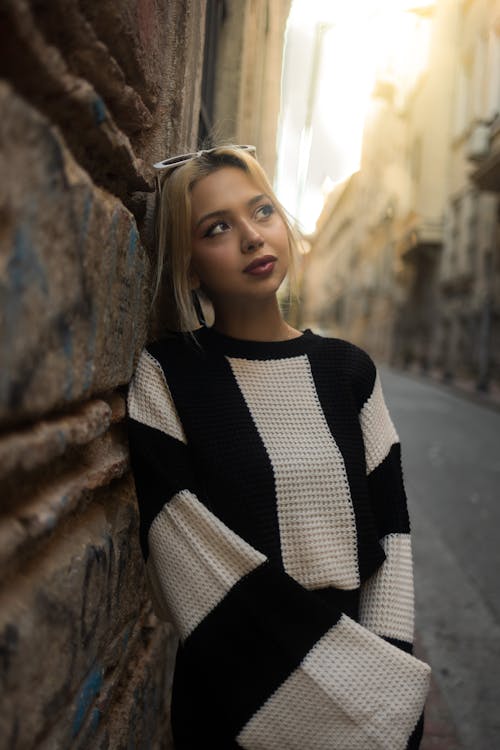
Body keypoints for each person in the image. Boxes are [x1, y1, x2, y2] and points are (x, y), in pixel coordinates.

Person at [126, 144, 431, 749]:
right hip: (232, 691)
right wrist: (327, 687)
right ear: (188, 265)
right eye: (217, 227)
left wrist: (381, 695)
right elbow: (181, 550)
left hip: (360, 673)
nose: (251, 237)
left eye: (261, 211)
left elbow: (392, 539)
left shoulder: (349, 373)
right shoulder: (169, 375)